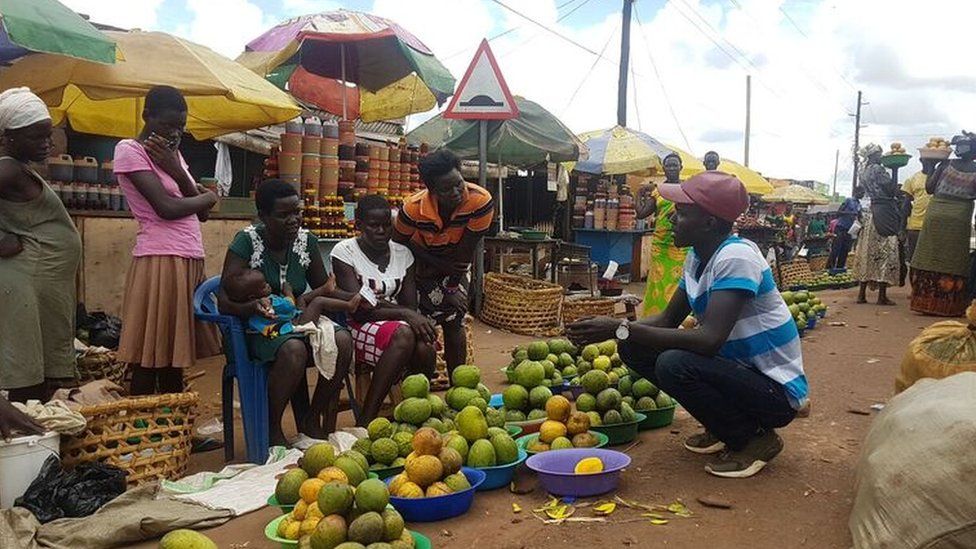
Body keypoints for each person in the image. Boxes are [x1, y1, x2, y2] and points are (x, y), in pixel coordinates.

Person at [567, 171, 805, 479]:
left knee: (674, 363)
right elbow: (668, 320)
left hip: (774, 392)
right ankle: (724, 426)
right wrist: (615, 330)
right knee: (634, 347)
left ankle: (753, 438)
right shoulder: (697, 256)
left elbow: (709, 340)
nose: (669, 221)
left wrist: (614, 328)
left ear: (708, 223)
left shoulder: (736, 257)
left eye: (681, 214)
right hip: (740, 375)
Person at [218, 179, 354, 444]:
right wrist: (251, 307)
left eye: (297, 212)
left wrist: (356, 297)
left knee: (343, 341)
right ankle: (271, 427)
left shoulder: (306, 242)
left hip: (298, 321)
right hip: (257, 328)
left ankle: (311, 420)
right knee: (294, 350)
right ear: (263, 216)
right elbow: (224, 299)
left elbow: (322, 287)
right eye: (284, 215)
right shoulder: (247, 242)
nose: (294, 220)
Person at [114, 86, 221, 396]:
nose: (176, 132)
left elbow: (202, 214)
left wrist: (178, 171)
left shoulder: (172, 156)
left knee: (174, 356)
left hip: (187, 257)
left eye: (181, 126)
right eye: (168, 125)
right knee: (150, 354)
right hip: (160, 259)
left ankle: (175, 430)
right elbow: (167, 208)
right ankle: (143, 432)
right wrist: (209, 197)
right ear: (147, 116)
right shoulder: (130, 150)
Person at [0, 88, 81, 402]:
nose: (47, 143)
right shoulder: (7, 168)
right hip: (25, 282)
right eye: (36, 137)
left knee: (36, 374)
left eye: (48, 135)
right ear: (9, 137)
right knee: (26, 378)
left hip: (38, 285)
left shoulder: (17, 167)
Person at [332, 195, 437, 422]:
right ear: (358, 225)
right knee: (404, 333)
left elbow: (410, 304)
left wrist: (395, 309)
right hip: (357, 327)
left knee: (425, 346)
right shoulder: (344, 252)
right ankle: (368, 416)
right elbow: (358, 308)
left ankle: (416, 412)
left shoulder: (403, 254)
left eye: (386, 225)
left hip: (395, 326)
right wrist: (403, 313)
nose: (381, 231)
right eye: (373, 225)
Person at [393, 149, 493, 377]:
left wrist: (451, 287)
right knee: (422, 330)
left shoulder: (480, 201)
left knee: (453, 319)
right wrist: (433, 264)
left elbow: (464, 254)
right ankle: (421, 388)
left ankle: (458, 386)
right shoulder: (412, 208)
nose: (457, 192)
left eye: (459, 184)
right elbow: (399, 244)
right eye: (446, 189)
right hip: (416, 268)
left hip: (454, 266)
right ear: (432, 190)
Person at [910, 131, 976, 316]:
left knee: (928, 255)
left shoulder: (945, 164)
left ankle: (924, 303)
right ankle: (948, 307)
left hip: (936, 213)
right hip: (959, 217)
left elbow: (930, 188)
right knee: (953, 260)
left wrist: (931, 167)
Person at [224, 268, 361, 339]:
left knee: (302, 299)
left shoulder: (258, 305)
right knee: (318, 302)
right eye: (264, 286)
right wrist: (288, 292)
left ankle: (325, 288)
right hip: (296, 324)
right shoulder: (268, 303)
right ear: (252, 296)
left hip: (293, 317)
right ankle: (349, 306)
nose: (268, 286)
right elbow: (289, 305)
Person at [637, 152, 687, 316]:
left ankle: (678, 317)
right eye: (669, 165)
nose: (672, 168)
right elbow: (642, 213)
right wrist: (638, 194)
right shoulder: (658, 191)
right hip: (661, 245)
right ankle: (655, 317)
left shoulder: (687, 190)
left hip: (682, 244)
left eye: (675, 165)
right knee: (658, 282)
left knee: (680, 281)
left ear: (681, 167)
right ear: (663, 169)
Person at [853, 144, 901, 306]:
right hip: (884, 212)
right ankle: (882, 296)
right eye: (879, 154)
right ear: (874, 155)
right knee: (886, 251)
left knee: (867, 253)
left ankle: (861, 294)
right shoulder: (879, 170)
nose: (881, 156)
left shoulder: (863, 172)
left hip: (871, 213)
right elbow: (892, 190)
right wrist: (895, 170)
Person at [827, 187, 863, 269]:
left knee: (845, 251)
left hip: (850, 230)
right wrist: (849, 213)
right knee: (836, 249)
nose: (863, 195)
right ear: (856, 192)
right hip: (840, 228)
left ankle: (840, 268)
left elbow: (860, 216)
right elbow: (839, 212)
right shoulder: (848, 200)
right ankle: (829, 268)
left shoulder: (859, 204)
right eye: (862, 193)